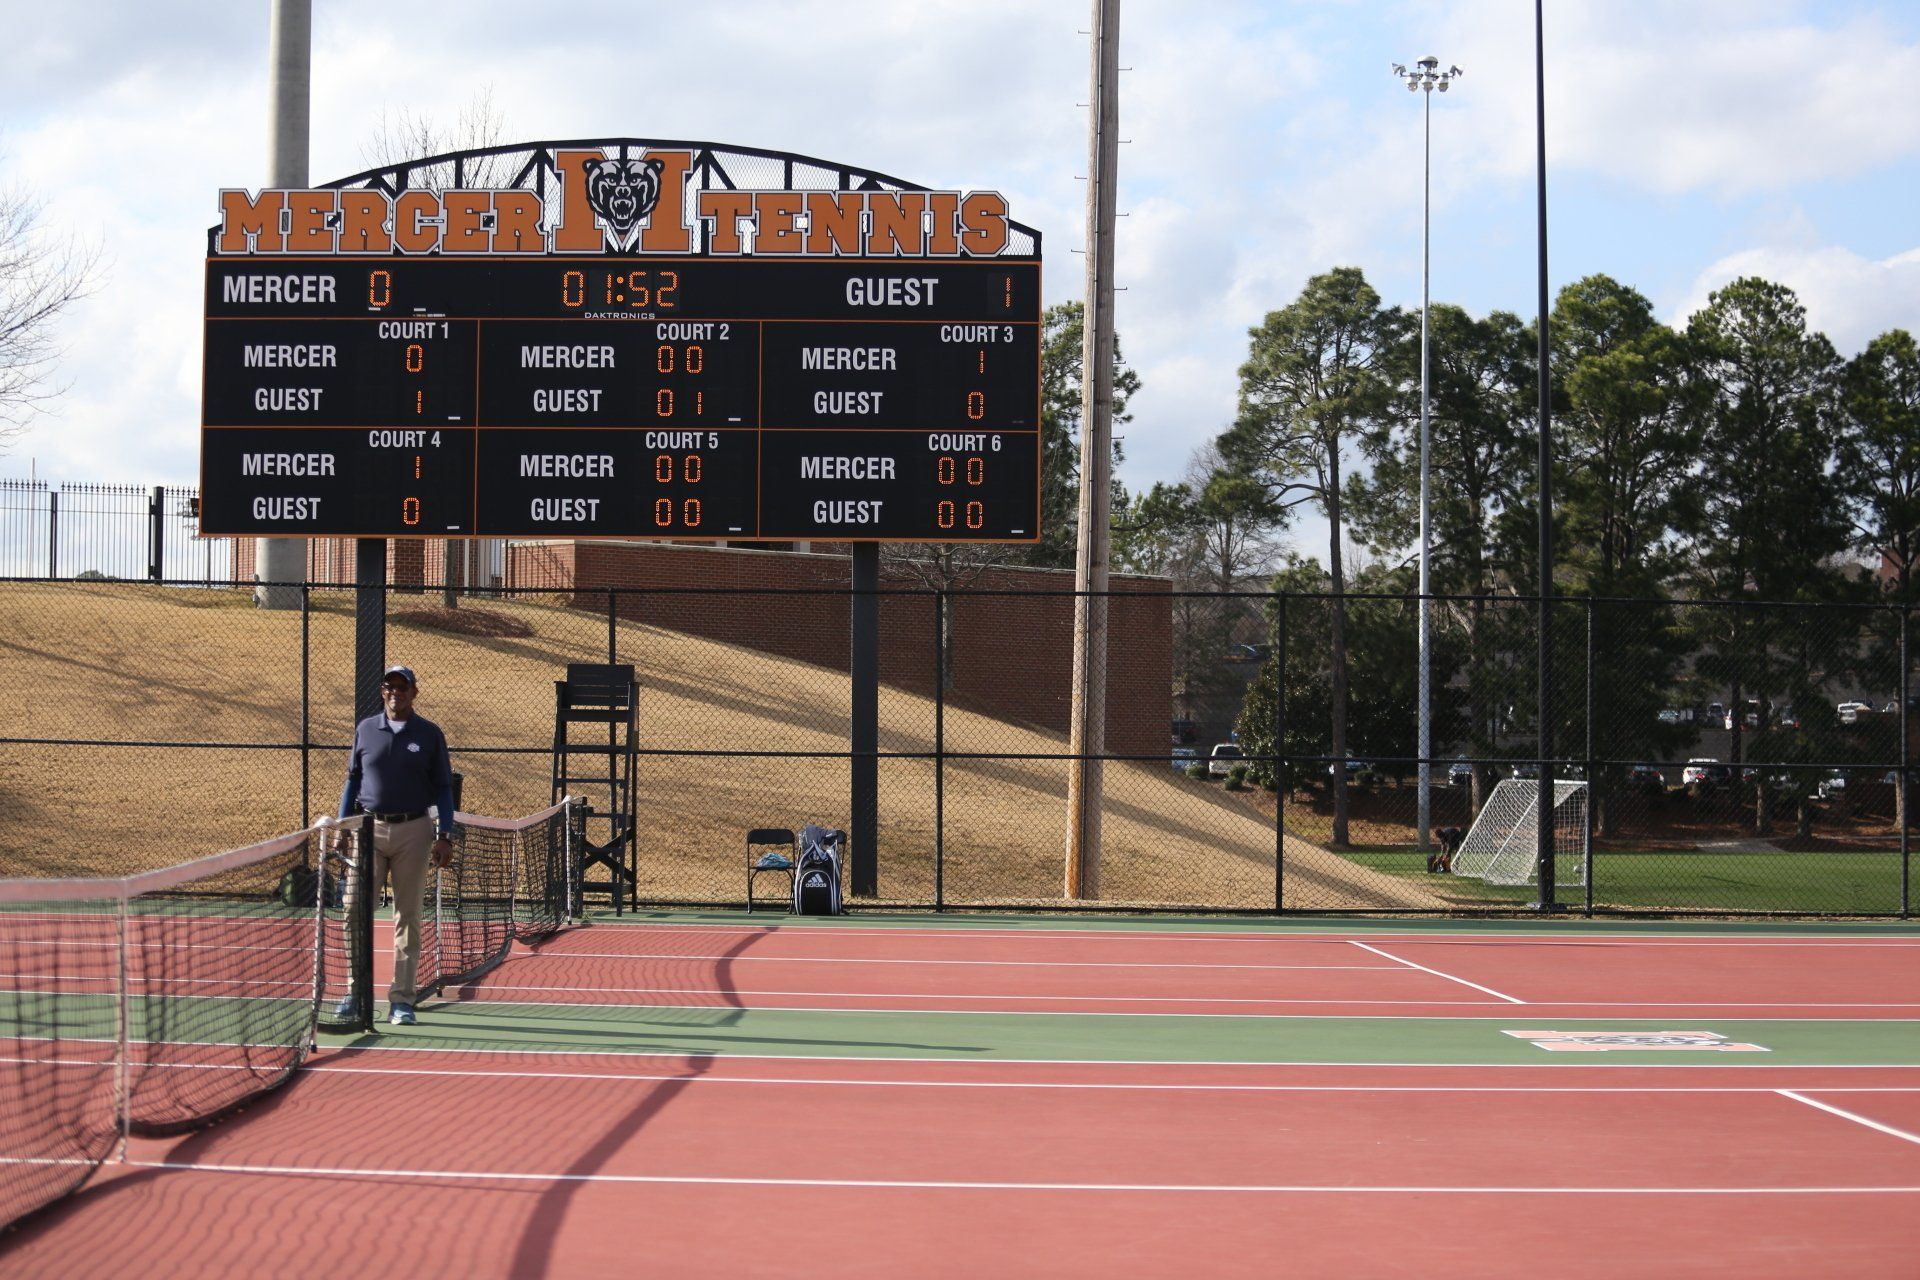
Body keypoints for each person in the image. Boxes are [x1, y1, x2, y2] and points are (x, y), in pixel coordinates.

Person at [334, 664, 455, 1026]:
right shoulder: (366, 730)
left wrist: (444, 834)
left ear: (414, 693)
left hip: (414, 830)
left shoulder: (429, 735)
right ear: (382, 691)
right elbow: (353, 781)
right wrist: (343, 825)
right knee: (355, 910)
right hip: (368, 830)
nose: (395, 693)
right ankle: (356, 994)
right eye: (389, 686)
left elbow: (444, 788)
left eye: (402, 688)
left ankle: (402, 1000)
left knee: (408, 917)